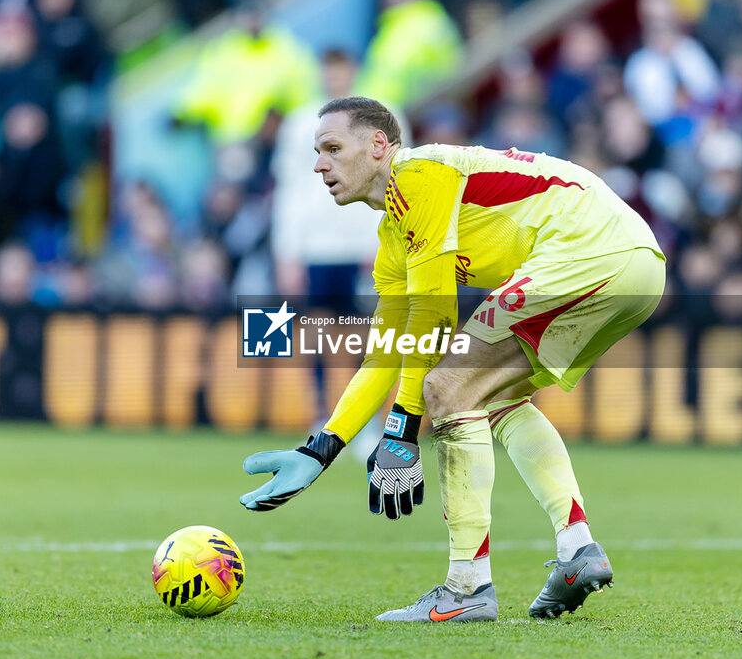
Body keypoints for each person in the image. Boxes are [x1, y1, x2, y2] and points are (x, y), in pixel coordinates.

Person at [239, 97, 666, 622]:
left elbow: (435, 319)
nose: (319, 165)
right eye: (316, 152)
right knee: (494, 396)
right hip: (634, 264)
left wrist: (401, 427)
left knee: (447, 387)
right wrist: (323, 447)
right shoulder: (393, 237)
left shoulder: (419, 175)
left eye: (332, 148)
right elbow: (387, 353)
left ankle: (466, 588)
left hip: (588, 250)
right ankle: (578, 547)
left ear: (378, 146)